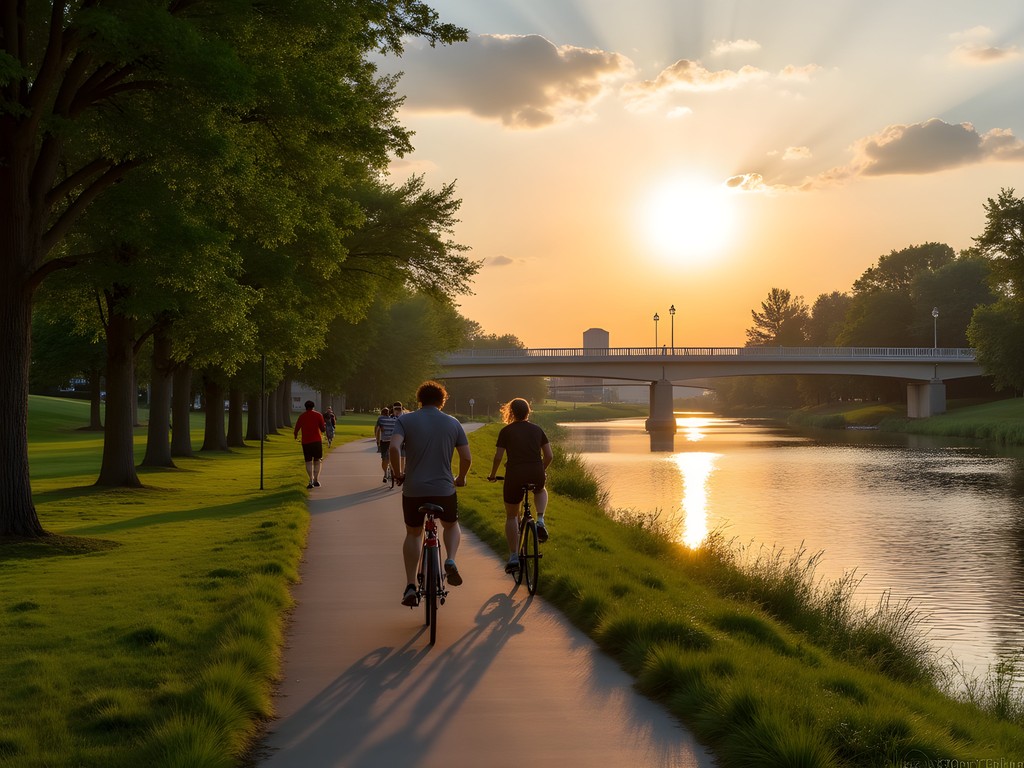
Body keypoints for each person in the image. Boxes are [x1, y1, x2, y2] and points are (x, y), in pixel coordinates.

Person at [389, 381, 471, 606]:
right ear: (442, 401)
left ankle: (410, 586)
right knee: (451, 525)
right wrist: (461, 478)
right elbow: (466, 457)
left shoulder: (405, 420)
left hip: (414, 489)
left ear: (419, 400)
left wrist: (398, 473)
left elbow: (394, 448)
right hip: (444, 489)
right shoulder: (453, 423)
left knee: (414, 533)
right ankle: (451, 560)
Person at [487, 398, 553, 574]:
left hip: (514, 475)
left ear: (511, 412)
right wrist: (542, 470)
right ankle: (540, 520)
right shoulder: (538, 430)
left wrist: (493, 474)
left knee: (511, 516)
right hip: (535, 471)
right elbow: (549, 455)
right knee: (540, 489)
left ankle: (514, 556)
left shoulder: (506, 431)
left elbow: (498, 457)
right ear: (528, 412)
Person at [293, 400, 326, 489]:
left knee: (308, 461)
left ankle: (310, 480)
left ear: (305, 407)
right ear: (313, 406)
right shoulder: (318, 415)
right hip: (316, 441)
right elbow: (322, 429)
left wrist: (295, 435)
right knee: (317, 460)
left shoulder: (302, 416)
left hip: (306, 442)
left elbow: (297, 427)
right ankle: (316, 480)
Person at [374, 406, 396, 483]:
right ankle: (392, 470)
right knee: (393, 456)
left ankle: (385, 474)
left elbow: (377, 430)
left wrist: (377, 442)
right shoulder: (395, 419)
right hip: (393, 440)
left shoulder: (380, 419)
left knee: (384, 458)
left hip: (384, 441)